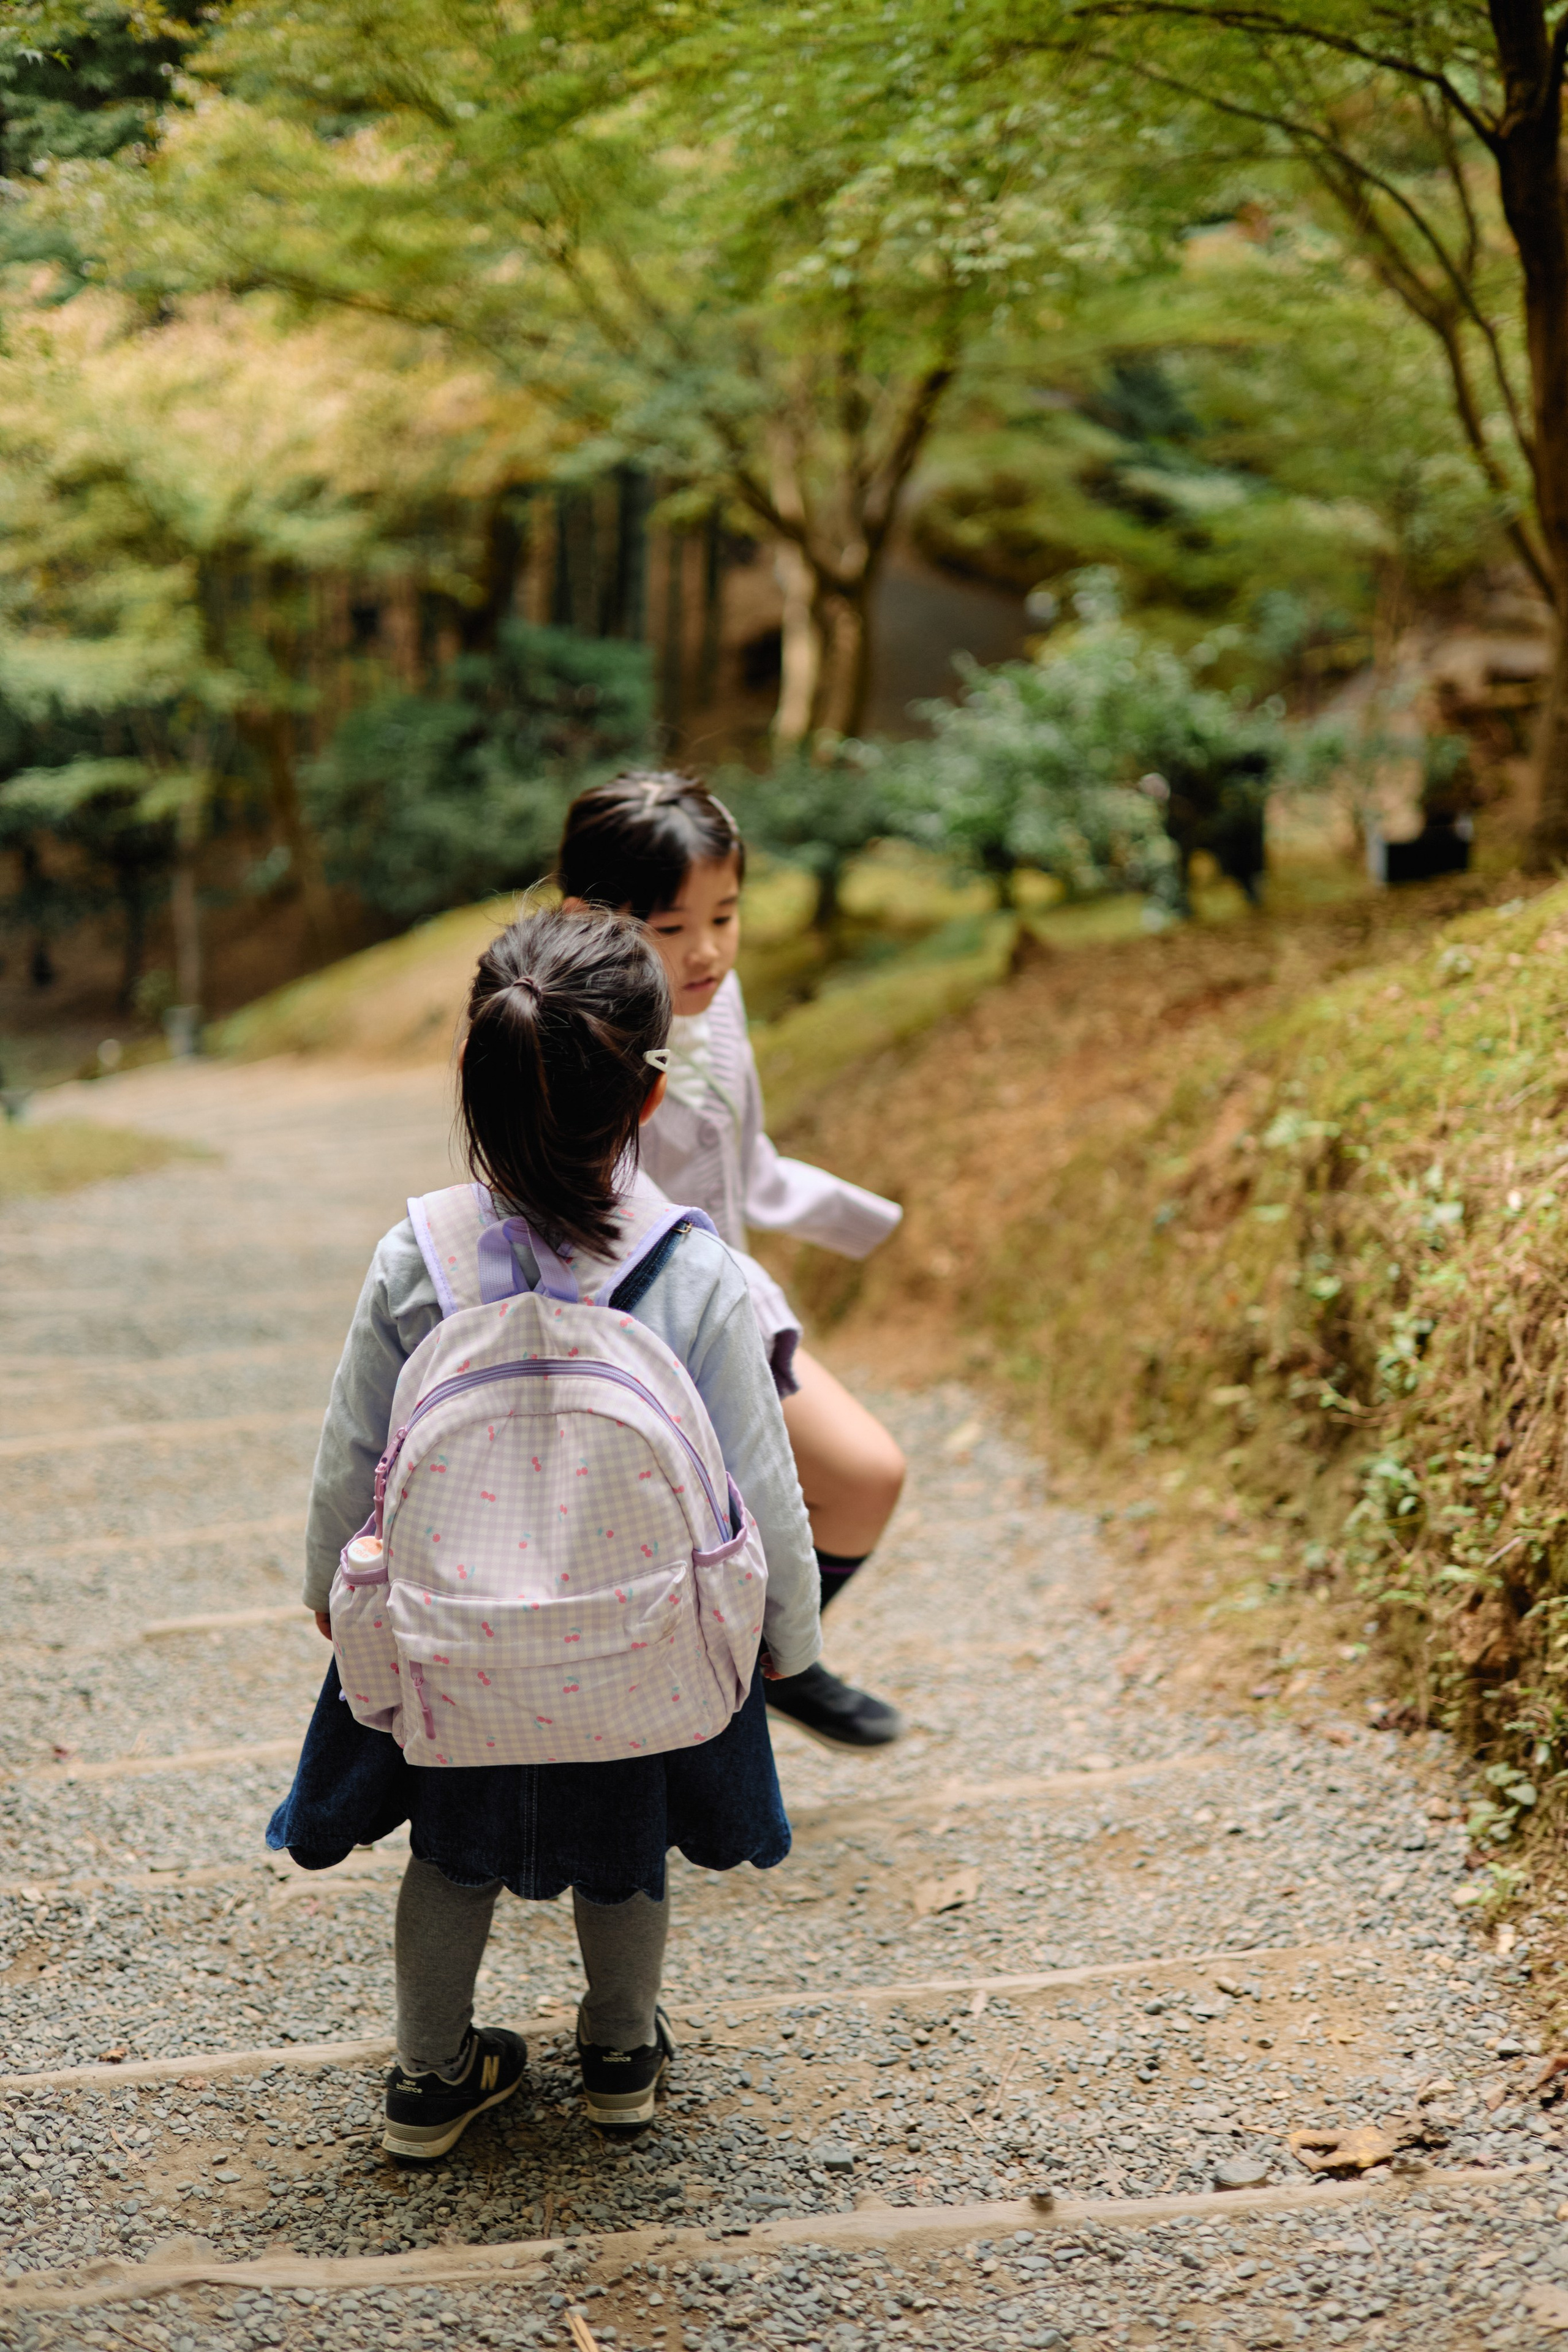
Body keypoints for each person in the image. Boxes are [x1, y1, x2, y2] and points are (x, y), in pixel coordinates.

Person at [268, 907, 822, 2160]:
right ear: (646, 1098)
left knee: (449, 1859)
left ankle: (428, 2076)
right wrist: (789, 1629)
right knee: (625, 1857)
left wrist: (326, 1591)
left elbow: (354, 1452)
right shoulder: (693, 1268)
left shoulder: (416, 1258)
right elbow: (756, 1478)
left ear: (476, 1081)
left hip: (452, 1647)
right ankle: (620, 2054)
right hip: (634, 1647)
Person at [557, 771, 908, 1754]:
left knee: (866, 1477)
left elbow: (741, 1165)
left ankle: (769, 1667)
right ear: (592, 919)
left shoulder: (720, 997)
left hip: (727, 1307)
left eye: (726, 913)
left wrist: (874, 1228)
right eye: (671, 928)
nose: (706, 949)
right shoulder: (560, 1031)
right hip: (616, 1337)